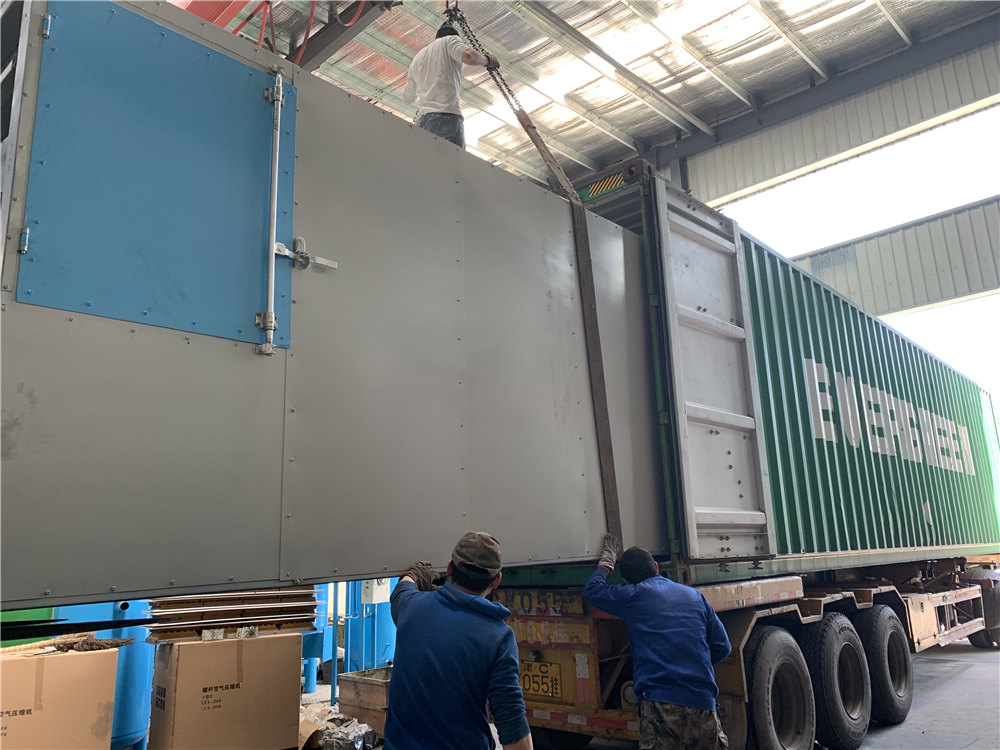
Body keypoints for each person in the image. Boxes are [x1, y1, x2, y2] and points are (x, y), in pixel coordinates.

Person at [383, 531, 533, 750]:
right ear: (496, 581)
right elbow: (510, 717)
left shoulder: (411, 607)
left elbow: (402, 588)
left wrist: (415, 574)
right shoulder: (498, 637)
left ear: (449, 569)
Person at [583, 535, 731, 750]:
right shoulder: (695, 596)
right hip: (702, 703)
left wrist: (606, 564)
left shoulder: (633, 596)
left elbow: (592, 590)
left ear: (626, 581)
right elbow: (723, 647)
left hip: (660, 705)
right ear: (656, 566)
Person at [402, 23, 500, 149]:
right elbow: (468, 56)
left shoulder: (417, 58)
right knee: (453, 160)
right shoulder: (449, 40)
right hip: (445, 119)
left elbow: (407, 98)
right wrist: (487, 60)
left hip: (423, 123)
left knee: (427, 160)